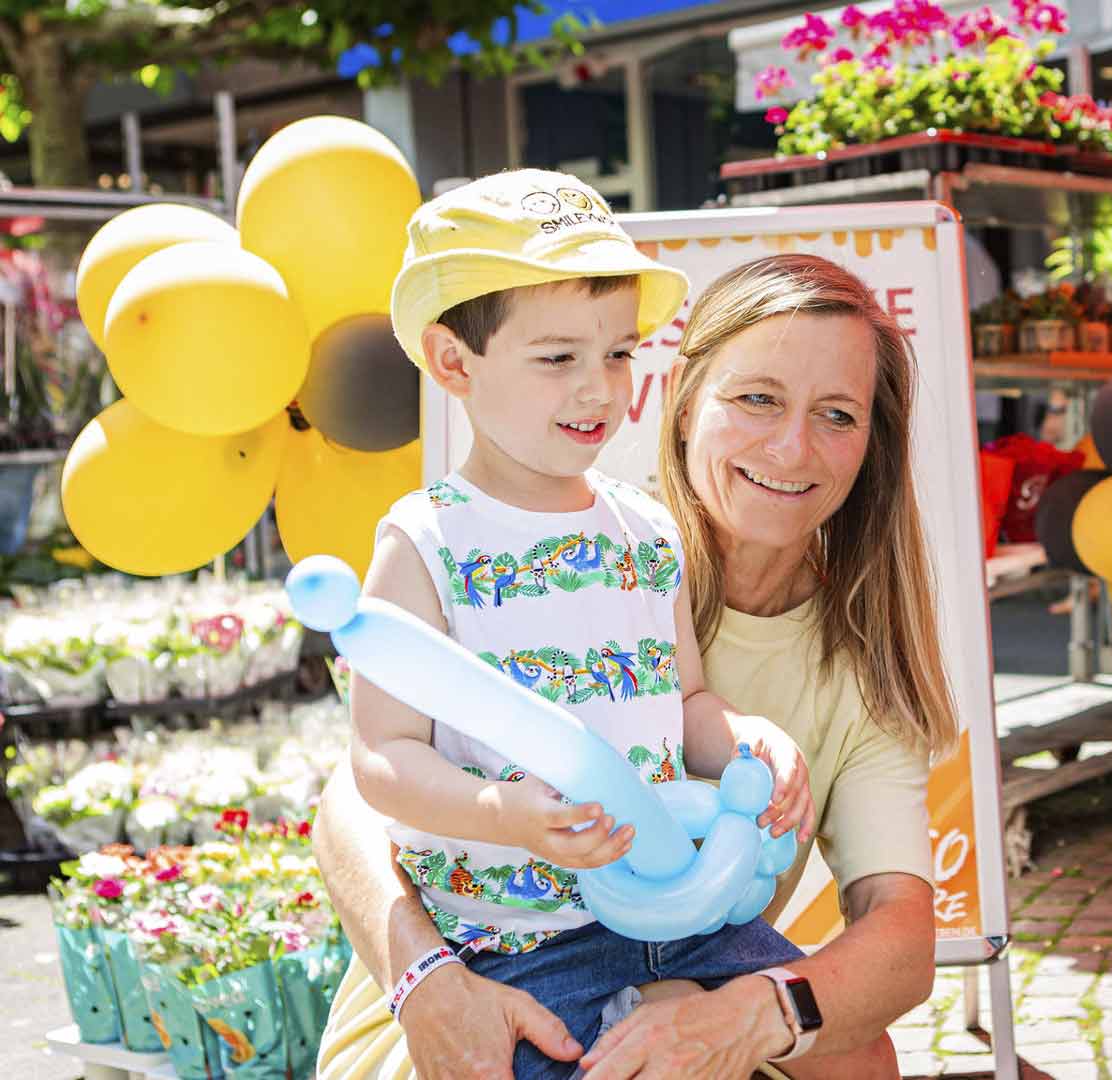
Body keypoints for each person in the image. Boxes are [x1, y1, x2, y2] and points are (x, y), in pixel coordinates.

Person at [314, 250, 957, 1079]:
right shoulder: (506, 543)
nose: (792, 446)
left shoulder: (647, 554)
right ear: (683, 405)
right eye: (758, 398)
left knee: (857, 1062)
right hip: (478, 981)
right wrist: (426, 979)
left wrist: (742, 1017)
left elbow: (900, 940)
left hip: (676, 942)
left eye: (837, 414)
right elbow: (357, 790)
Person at [341, 169, 824, 1079]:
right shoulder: (427, 544)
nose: (600, 388)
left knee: (846, 1046)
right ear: (454, 363)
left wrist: (749, 739)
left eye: (619, 353)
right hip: (521, 945)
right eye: (559, 358)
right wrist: (500, 813)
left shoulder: (646, 529)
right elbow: (381, 757)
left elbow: (686, 700)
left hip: (681, 909)